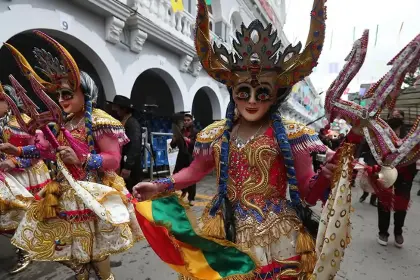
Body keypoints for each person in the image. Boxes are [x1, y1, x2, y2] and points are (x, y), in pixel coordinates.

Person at [133, 1, 338, 279]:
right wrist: (158, 186)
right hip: (223, 229)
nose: (252, 101)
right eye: (244, 91)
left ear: (275, 95)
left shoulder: (292, 135)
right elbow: (194, 172)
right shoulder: (216, 134)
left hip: (277, 236)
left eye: (262, 92)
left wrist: (327, 175)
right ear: (233, 92)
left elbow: (307, 193)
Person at [1, 32, 143, 280]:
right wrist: (20, 150)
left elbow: (113, 160)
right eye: (59, 95)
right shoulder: (60, 123)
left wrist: (83, 159)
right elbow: (47, 151)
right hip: (64, 195)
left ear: (85, 94)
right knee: (69, 252)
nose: (61, 99)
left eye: (68, 94)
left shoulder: (100, 121)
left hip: (93, 195)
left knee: (98, 255)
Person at [0, 84, 51, 274]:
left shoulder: (26, 123)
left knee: (28, 214)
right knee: (11, 217)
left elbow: (40, 152)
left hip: (28, 175)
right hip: (7, 178)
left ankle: (27, 250)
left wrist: (15, 161)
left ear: (10, 101)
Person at [377, 116, 417, 248]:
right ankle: (383, 232)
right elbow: (373, 151)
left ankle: (398, 232)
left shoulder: (411, 136)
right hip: (386, 173)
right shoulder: (382, 135)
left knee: (402, 204)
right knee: (384, 203)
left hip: (405, 175)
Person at [108, 95, 142, 192]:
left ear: (124, 109)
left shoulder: (132, 123)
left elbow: (135, 145)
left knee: (131, 192)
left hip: (131, 167)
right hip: (123, 162)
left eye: (116, 107)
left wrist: (128, 166)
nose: (114, 110)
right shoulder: (123, 121)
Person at [170, 113, 198, 206]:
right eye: (184, 120)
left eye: (188, 120)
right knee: (176, 175)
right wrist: (174, 140)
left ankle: (191, 198)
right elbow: (173, 145)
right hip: (181, 156)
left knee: (191, 178)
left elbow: (197, 144)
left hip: (191, 157)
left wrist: (188, 140)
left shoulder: (196, 132)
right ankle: (182, 191)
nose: (186, 122)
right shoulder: (180, 131)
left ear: (192, 121)